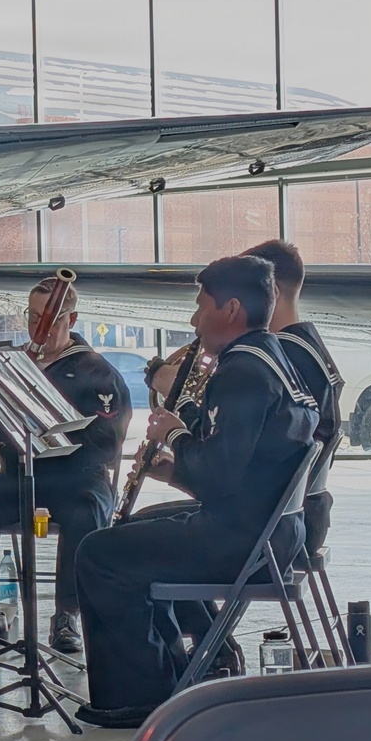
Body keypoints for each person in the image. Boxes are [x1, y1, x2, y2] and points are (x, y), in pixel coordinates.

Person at [74, 256, 319, 729]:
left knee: (99, 553)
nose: (193, 318)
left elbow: (218, 478)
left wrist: (174, 434)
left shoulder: (243, 371)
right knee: (136, 529)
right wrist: (173, 469)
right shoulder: (274, 357)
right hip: (274, 529)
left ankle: (139, 694)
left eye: (200, 305)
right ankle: (171, 671)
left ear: (230, 309)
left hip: (245, 541)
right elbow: (243, 469)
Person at [142, 240, 344, 674]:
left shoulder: (277, 357)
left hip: (278, 521)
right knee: (159, 527)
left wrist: (179, 415)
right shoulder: (303, 347)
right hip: (290, 509)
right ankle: (209, 650)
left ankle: (204, 654)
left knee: (144, 542)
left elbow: (237, 466)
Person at [0, 277, 132, 652]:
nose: (41, 327)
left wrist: (57, 435)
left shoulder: (97, 371)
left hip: (77, 477)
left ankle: (68, 615)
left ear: (71, 321)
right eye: (34, 317)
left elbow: (109, 440)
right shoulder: (11, 364)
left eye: (52, 319)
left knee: (86, 511)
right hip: (18, 476)